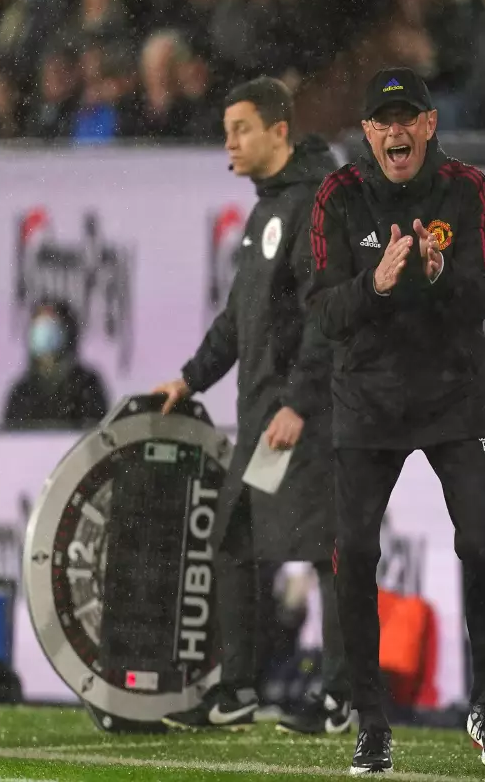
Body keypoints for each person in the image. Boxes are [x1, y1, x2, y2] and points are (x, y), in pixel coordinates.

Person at [307, 66, 485, 775]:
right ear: (366, 133)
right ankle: (372, 723)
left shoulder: (467, 190)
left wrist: (434, 276)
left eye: (408, 118)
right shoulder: (338, 197)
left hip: (453, 395)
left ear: (430, 126)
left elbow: (483, 294)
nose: (396, 131)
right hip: (367, 399)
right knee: (354, 554)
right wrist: (375, 283)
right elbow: (322, 312)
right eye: (382, 120)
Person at [154, 77, 351, 736]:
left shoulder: (315, 204)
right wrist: (190, 378)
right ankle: (236, 690)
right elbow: (240, 319)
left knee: (328, 550)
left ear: (278, 131)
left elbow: (327, 315)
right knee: (238, 541)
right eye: (225, 131)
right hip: (267, 417)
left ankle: (341, 696)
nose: (229, 143)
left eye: (240, 129)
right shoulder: (269, 211)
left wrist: (298, 401)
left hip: (307, 417)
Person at [3, 300, 108, 430]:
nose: (45, 335)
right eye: (40, 329)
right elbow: (10, 441)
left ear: (67, 333)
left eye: (52, 328)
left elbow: (96, 437)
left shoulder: (87, 385)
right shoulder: (21, 392)